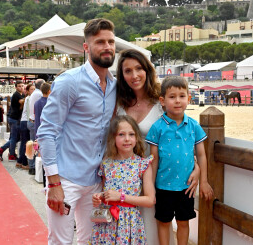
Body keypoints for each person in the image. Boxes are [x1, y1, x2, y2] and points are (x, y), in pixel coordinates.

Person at [37, 18, 116, 245]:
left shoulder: (114, 86)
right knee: (61, 242)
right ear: (86, 47)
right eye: (100, 42)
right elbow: (47, 131)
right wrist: (53, 184)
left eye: (110, 41)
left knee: (91, 240)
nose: (107, 47)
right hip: (66, 179)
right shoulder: (69, 82)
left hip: (96, 180)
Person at [116, 49, 200, 245]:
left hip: (156, 178)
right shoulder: (118, 101)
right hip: (126, 176)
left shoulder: (162, 101)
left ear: (147, 70)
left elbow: (182, 136)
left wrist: (196, 167)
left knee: (155, 228)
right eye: (128, 71)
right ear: (122, 75)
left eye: (139, 68)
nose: (134, 75)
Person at [146, 76, 214, 245]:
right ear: (162, 101)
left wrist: (203, 181)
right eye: (172, 96)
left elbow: (202, 155)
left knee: (184, 223)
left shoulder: (194, 126)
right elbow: (153, 160)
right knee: (163, 222)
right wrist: (151, 187)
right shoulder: (157, 128)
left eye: (182, 96)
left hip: (187, 187)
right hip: (163, 187)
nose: (177, 101)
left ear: (189, 98)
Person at [88, 115, 155, 244]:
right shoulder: (106, 164)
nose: (127, 139)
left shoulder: (143, 164)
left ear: (137, 138)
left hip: (129, 224)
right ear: (113, 138)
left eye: (131, 134)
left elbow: (150, 200)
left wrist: (120, 197)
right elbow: (106, 193)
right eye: (121, 134)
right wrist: (99, 197)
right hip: (107, 223)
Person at [0, 81, 25, 161]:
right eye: (19, 86)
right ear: (15, 87)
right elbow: (22, 101)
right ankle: (3, 150)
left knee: (15, 137)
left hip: (15, 119)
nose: (21, 87)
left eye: (22, 86)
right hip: (14, 119)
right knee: (15, 138)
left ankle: (10, 153)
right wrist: (30, 97)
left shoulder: (21, 95)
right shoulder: (16, 95)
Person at [34, 82, 51, 185]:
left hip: (40, 132)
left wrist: (37, 135)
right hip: (47, 133)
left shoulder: (37, 103)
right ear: (49, 91)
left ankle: (45, 184)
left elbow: (36, 120)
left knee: (44, 158)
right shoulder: (50, 102)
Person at [16, 83, 35, 170]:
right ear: (27, 91)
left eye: (34, 89)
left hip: (24, 121)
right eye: (31, 89)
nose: (33, 91)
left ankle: (20, 161)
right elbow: (28, 113)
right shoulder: (29, 98)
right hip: (25, 122)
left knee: (24, 142)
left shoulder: (28, 98)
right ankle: (23, 163)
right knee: (26, 143)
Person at [27, 78, 45, 174]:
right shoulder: (39, 94)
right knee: (36, 146)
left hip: (31, 121)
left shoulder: (34, 93)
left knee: (32, 145)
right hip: (35, 122)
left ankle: (31, 166)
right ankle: (34, 167)